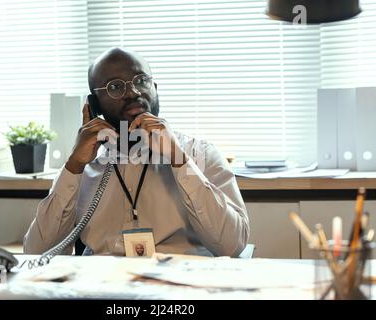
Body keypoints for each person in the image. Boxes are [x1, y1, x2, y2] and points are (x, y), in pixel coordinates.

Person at [24, 47, 249, 257]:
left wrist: (178, 159)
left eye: (141, 81)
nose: (132, 92)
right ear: (94, 105)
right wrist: (74, 167)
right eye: (114, 87)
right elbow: (37, 252)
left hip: (178, 286)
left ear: (155, 89)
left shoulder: (199, 153)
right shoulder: (83, 165)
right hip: (103, 286)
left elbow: (232, 245)